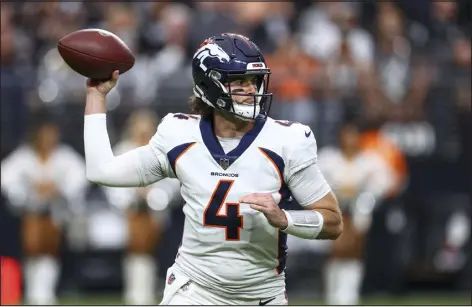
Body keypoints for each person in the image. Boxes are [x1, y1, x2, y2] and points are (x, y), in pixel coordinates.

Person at [83, 33, 342, 305]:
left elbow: (333, 222)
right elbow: (102, 171)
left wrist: (286, 219)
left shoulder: (287, 141)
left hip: (261, 296)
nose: (252, 90)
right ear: (211, 84)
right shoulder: (179, 134)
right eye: (239, 82)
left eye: (254, 81)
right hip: (194, 290)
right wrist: (96, 95)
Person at [1, 112, 88, 305]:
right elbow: (6, 178)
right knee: (32, 254)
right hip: (30, 215)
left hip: (56, 216)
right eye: (46, 134)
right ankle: (34, 292)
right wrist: (30, 189)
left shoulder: (64, 156)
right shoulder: (24, 157)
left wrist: (58, 188)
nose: (50, 139)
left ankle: (45, 293)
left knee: (50, 254)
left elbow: (80, 176)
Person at [102, 109, 181, 305]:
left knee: (149, 250)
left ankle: (146, 291)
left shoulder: (161, 152)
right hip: (126, 212)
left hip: (155, 211)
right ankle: (134, 293)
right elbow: (111, 181)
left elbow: (173, 183)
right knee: (135, 249)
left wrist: (153, 195)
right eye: (140, 131)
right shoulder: (123, 150)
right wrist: (132, 196)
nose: (143, 135)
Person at [317, 121, 396, 305]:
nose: (350, 140)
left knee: (353, 251)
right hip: (332, 210)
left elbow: (387, 183)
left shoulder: (370, 160)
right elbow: (314, 182)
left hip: (359, 211)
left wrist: (364, 192)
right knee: (335, 253)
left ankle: (349, 294)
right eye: (346, 135)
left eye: (353, 135)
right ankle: (333, 294)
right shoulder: (328, 158)